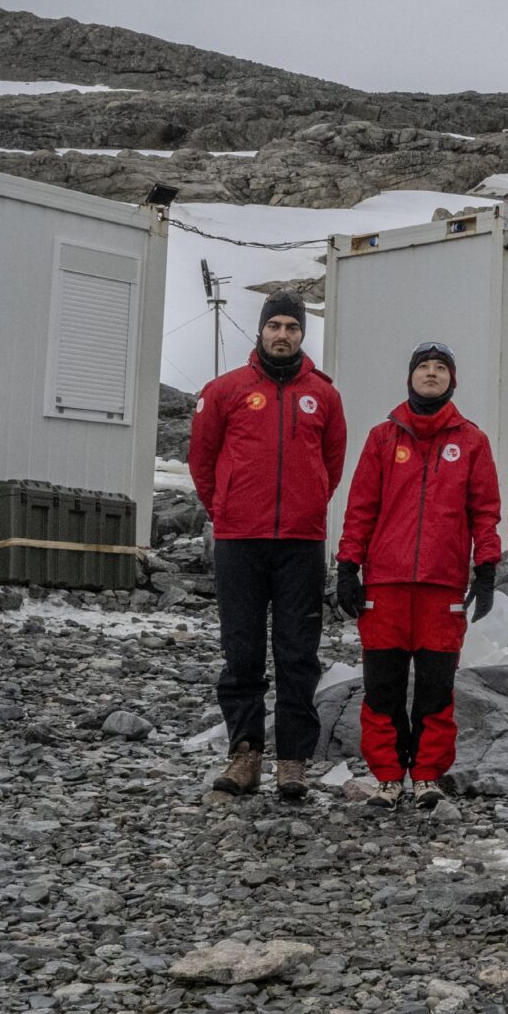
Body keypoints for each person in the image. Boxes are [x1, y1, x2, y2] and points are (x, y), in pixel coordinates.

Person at [187, 291, 348, 801]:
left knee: (298, 653)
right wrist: (225, 509)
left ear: (303, 335)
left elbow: (333, 461)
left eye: (292, 328)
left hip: (300, 542)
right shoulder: (226, 390)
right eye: (274, 325)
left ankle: (293, 760)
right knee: (242, 650)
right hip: (240, 541)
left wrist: (310, 502)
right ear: (260, 332)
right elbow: (202, 457)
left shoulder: (324, 395)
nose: (283, 335)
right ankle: (245, 753)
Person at [334, 342, 501, 809]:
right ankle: (388, 777)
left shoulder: (472, 441)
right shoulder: (382, 438)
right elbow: (360, 508)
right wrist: (348, 566)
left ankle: (426, 775)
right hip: (385, 587)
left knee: (434, 688)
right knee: (382, 687)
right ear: (410, 377)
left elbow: (484, 511)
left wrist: (486, 568)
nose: (431, 374)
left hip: (441, 587)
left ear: (453, 380)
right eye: (423, 367)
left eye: (440, 368)